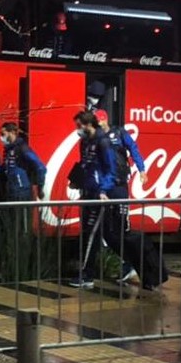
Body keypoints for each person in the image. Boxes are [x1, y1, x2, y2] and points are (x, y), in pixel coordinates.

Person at [94, 109, 147, 282]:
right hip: (104, 187)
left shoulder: (119, 133)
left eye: (98, 122)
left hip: (119, 185)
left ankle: (131, 265)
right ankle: (121, 263)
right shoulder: (95, 139)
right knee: (105, 228)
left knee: (122, 226)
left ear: (104, 120)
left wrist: (142, 170)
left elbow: (134, 148)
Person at [70, 111, 119, 289]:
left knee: (91, 233)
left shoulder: (103, 141)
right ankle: (132, 263)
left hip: (99, 195)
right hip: (88, 192)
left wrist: (104, 190)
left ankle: (87, 275)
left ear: (88, 124)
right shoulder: (85, 142)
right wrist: (77, 180)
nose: (77, 129)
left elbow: (110, 169)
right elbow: (85, 165)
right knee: (105, 234)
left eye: (78, 125)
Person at [0, 123, 46, 202]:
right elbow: (9, 170)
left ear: (12, 132)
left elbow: (40, 167)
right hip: (10, 192)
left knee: (21, 214)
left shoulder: (22, 148)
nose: (1, 137)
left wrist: (40, 188)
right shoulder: (8, 150)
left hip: (22, 193)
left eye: (3, 134)